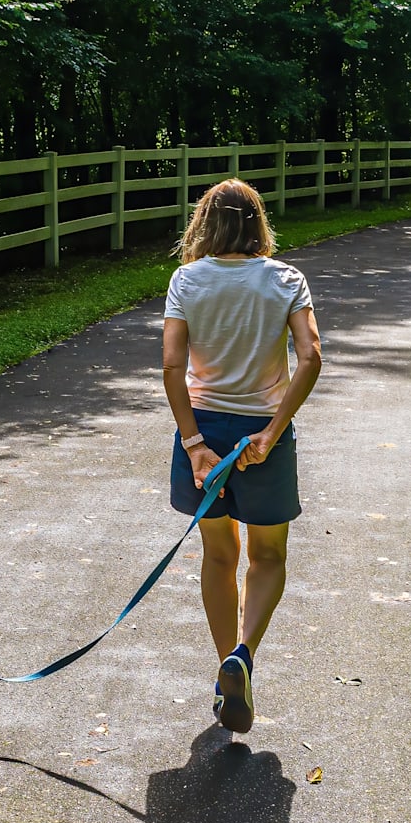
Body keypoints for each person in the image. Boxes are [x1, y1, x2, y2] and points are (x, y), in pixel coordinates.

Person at [162, 178, 322, 734]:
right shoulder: (286, 279)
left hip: (204, 431)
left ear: (204, 223)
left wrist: (193, 443)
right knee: (268, 555)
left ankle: (223, 668)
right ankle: (243, 656)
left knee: (218, 555)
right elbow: (310, 356)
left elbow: (172, 365)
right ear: (259, 223)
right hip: (262, 437)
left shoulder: (187, 280)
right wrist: (273, 432)